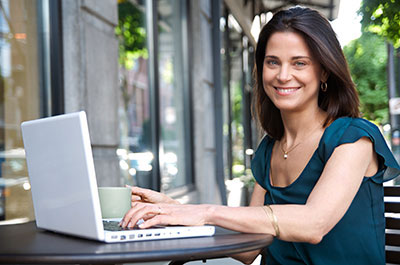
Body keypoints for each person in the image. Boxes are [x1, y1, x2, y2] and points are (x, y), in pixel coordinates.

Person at [120, 6, 400, 265]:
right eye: (273, 62)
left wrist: (204, 211)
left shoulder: (354, 138)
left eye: (299, 63)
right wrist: (175, 211)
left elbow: (314, 224)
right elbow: (248, 250)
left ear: (324, 70)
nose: (283, 75)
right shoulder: (269, 149)